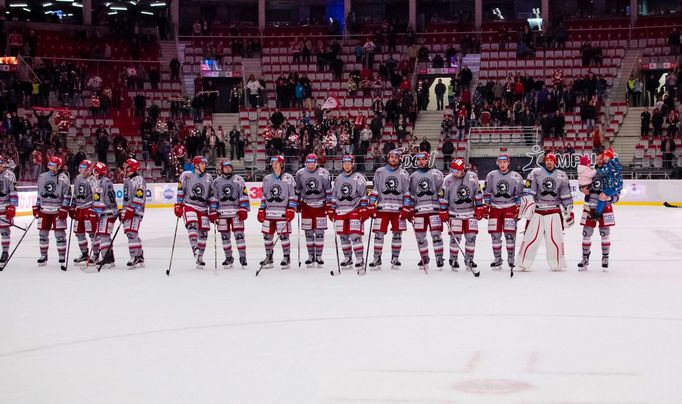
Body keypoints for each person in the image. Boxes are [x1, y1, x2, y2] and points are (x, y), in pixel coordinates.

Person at [516, 153, 574, 272]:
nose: (549, 162)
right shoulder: (535, 173)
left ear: (555, 162)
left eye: (551, 160)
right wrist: (527, 205)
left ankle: (556, 263)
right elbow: (528, 191)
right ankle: (523, 262)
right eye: (547, 160)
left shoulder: (562, 175)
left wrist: (568, 209)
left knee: (555, 239)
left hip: (554, 210)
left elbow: (565, 195)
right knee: (530, 237)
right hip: (538, 210)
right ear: (544, 161)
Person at [367, 149, 411, 270]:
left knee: (397, 234)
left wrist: (406, 208)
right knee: (378, 235)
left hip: (398, 210)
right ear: (388, 158)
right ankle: (377, 257)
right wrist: (371, 205)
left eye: (396, 157)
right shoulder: (380, 171)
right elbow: (375, 190)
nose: (393, 159)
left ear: (399, 159)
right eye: (391, 157)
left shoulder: (404, 173)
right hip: (382, 209)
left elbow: (407, 193)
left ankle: (395, 258)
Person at [439, 158, 483, 274]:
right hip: (454, 214)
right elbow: (443, 197)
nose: (454, 173)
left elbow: (478, 194)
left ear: (463, 169)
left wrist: (479, 207)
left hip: (470, 214)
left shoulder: (473, 177)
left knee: (471, 237)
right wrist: (443, 211)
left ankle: (469, 259)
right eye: (452, 170)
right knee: (455, 239)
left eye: (457, 171)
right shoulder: (448, 179)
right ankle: (453, 260)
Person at [578, 152, 619, 271]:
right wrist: (582, 189)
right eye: (598, 159)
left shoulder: (611, 174)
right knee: (586, 233)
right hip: (589, 207)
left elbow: (617, 195)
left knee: (604, 233)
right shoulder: (590, 171)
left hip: (605, 209)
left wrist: (609, 198)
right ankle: (585, 258)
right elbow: (582, 182)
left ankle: (605, 258)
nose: (600, 161)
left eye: (602, 159)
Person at [483, 154, 524, 270]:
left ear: (508, 162)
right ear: (497, 163)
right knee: (495, 236)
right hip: (495, 209)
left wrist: (518, 207)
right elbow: (487, 193)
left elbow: (519, 195)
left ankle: (511, 259)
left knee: (510, 236)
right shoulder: (491, 175)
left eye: (505, 162)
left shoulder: (516, 176)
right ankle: (497, 259)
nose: (502, 164)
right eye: (500, 162)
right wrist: (486, 206)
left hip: (510, 208)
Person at [329, 155, 369, 271]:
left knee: (355, 236)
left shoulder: (359, 177)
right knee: (343, 237)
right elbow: (334, 195)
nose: (346, 165)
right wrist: (332, 208)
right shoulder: (338, 178)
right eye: (344, 163)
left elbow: (363, 195)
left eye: (349, 163)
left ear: (352, 164)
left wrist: (363, 208)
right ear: (342, 164)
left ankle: (359, 258)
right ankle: (347, 258)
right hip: (341, 211)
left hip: (354, 210)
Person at [257, 156, 298, 270]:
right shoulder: (267, 178)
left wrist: (291, 208)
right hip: (269, 213)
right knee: (267, 237)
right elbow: (264, 196)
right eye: (273, 163)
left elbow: (293, 195)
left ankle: (286, 257)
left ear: (282, 164)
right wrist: (261, 209)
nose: (274, 165)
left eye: (277, 163)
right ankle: (269, 258)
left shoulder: (288, 178)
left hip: (282, 213)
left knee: (284, 236)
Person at [174, 156, 214, 269]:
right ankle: (194, 248)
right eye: (202, 163)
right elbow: (181, 190)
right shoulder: (186, 175)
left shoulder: (209, 177)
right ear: (196, 165)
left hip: (203, 208)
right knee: (192, 224)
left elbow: (211, 195)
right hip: (189, 205)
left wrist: (213, 210)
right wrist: (178, 204)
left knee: (203, 234)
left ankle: (199, 257)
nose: (205, 166)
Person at [408, 151, 445, 271]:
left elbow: (442, 192)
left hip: (434, 210)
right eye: (419, 160)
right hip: (419, 211)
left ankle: (439, 257)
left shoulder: (436, 173)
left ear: (428, 160)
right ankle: (424, 257)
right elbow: (411, 195)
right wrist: (409, 209)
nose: (421, 162)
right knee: (420, 237)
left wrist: (443, 208)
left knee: (436, 236)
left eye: (423, 159)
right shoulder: (413, 176)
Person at [209, 160, 250, 269]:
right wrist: (213, 211)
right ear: (222, 169)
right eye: (226, 167)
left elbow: (244, 195)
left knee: (239, 235)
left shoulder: (238, 179)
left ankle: (243, 257)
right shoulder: (216, 182)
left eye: (229, 167)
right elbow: (213, 198)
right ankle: (228, 257)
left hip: (236, 212)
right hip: (221, 213)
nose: (228, 169)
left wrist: (243, 209)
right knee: (224, 236)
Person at [33, 157, 72, 266]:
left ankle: (61, 256)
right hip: (44, 210)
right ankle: (43, 255)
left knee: (59, 234)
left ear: (59, 166)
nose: (52, 168)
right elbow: (39, 194)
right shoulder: (42, 177)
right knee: (42, 234)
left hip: (57, 211)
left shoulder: (64, 178)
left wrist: (64, 208)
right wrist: (37, 206)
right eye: (51, 165)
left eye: (55, 166)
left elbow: (68, 195)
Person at [295, 154, 332, 267]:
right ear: (306, 163)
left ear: (316, 163)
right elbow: (297, 190)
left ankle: (319, 256)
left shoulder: (324, 173)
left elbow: (329, 190)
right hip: (306, 206)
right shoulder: (300, 173)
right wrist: (297, 203)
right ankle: (311, 256)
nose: (310, 165)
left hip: (321, 206)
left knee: (319, 232)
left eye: (313, 163)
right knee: (308, 233)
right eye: (308, 163)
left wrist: (329, 205)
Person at [69, 160, 99, 265]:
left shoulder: (92, 179)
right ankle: (84, 253)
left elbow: (96, 195)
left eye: (85, 168)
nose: (83, 170)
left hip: (88, 208)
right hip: (79, 209)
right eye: (81, 168)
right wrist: (72, 206)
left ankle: (95, 254)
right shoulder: (77, 178)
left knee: (91, 233)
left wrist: (94, 208)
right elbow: (74, 193)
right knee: (79, 232)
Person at [120, 159, 146, 268]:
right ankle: (139, 255)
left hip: (136, 211)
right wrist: (123, 210)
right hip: (128, 210)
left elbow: (140, 195)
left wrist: (132, 208)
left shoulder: (139, 179)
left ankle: (134, 256)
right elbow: (126, 198)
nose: (125, 168)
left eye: (128, 167)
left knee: (131, 233)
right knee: (130, 233)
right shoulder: (127, 180)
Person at [92, 162, 118, 269]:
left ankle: (106, 258)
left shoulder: (102, 183)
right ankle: (110, 257)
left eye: (95, 170)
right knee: (105, 235)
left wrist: (96, 211)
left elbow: (100, 200)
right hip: (110, 211)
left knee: (103, 235)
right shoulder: (106, 181)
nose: (93, 172)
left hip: (106, 212)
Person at [0, 156, 18, 264]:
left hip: (4, 206)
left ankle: (5, 252)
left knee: (4, 231)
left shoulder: (10, 175)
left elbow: (13, 191)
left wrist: (12, 206)